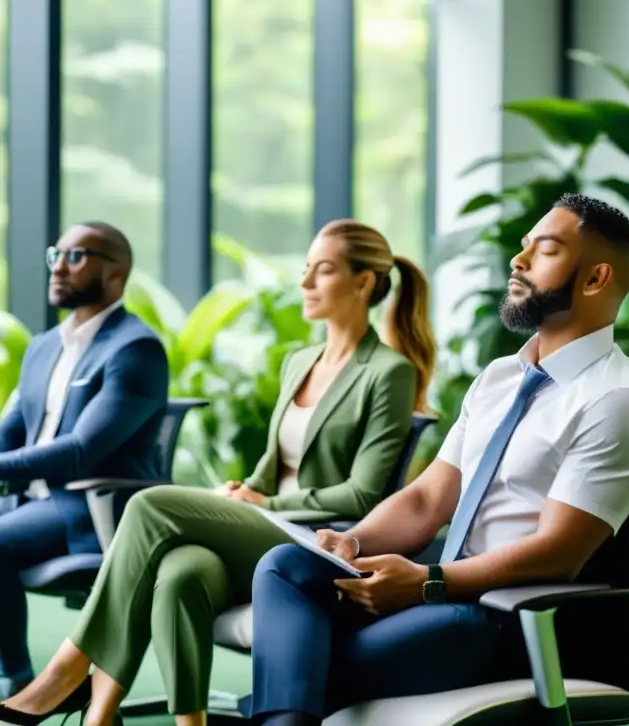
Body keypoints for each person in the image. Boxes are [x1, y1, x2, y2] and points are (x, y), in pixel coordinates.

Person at [245, 193, 629, 726]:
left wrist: (427, 581)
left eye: (545, 250)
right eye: (524, 247)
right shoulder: (499, 378)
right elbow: (426, 499)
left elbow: (557, 554)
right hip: (438, 593)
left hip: (502, 618)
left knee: (301, 661)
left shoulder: (616, 402)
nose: (518, 260)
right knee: (286, 566)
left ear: (594, 279)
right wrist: (352, 542)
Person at [0, 220, 437, 726]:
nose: (305, 284)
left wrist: (264, 505)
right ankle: (151, 718)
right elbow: (273, 468)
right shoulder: (300, 361)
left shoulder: (388, 372)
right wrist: (247, 488)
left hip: (320, 542)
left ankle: (68, 673)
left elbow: (363, 494)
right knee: (179, 571)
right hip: (268, 526)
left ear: (363, 283)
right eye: (305, 270)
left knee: (149, 503)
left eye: (323, 271)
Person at [0, 222, 170, 705]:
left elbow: (81, 450)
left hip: (89, 505)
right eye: (58, 253)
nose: (59, 265)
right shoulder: (44, 347)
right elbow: (11, 432)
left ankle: (18, 679)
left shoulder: (135, 349)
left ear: (115, 273)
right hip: (31, 502)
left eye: (77, 256)